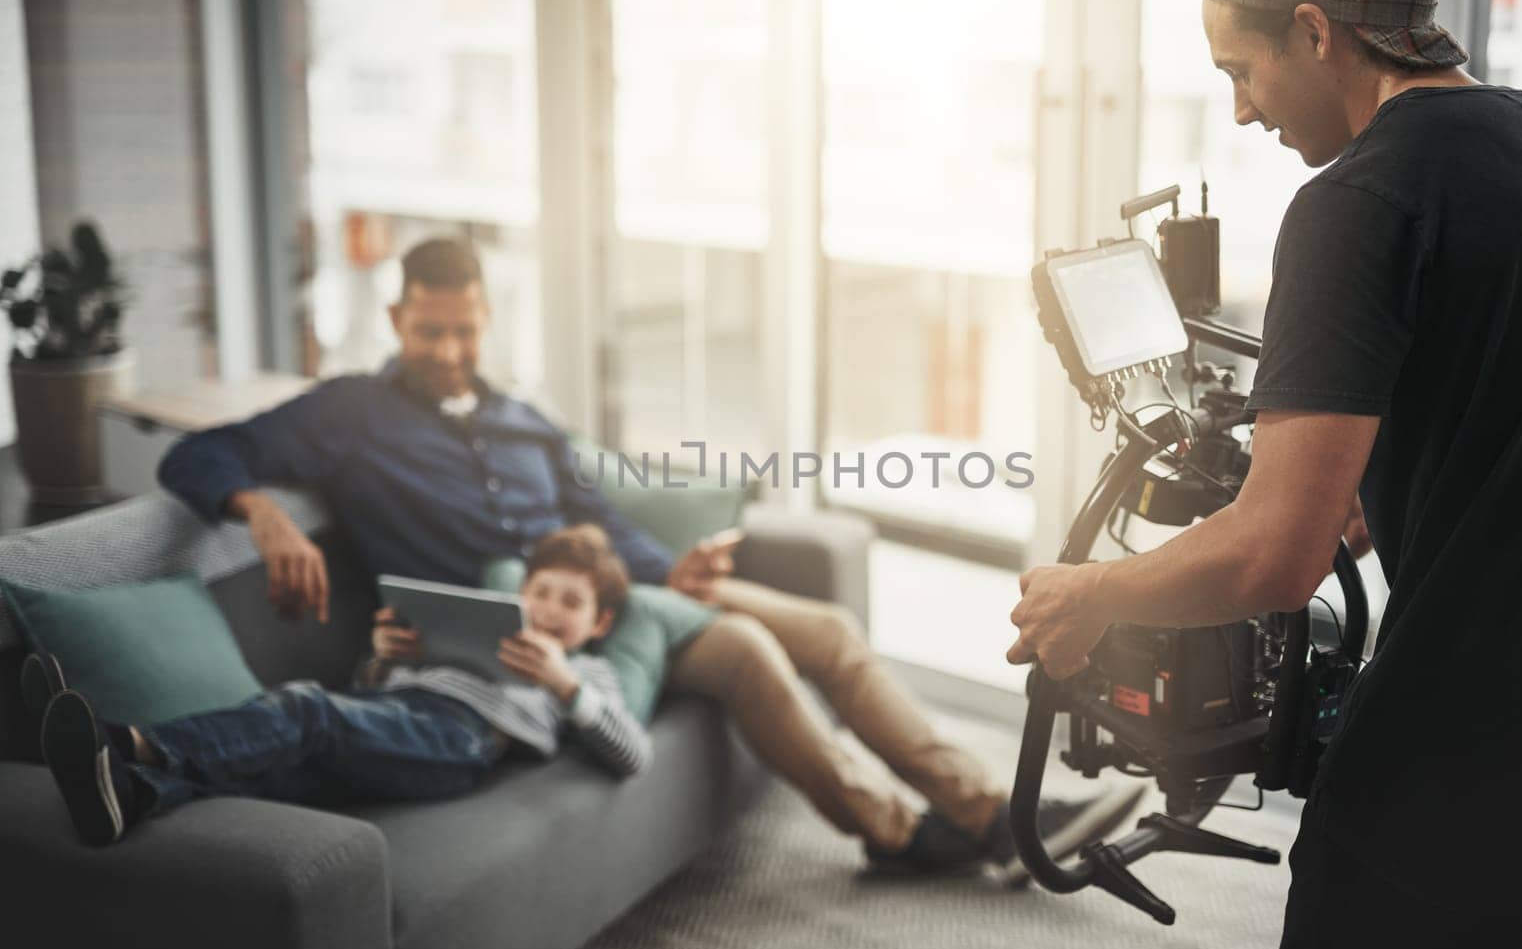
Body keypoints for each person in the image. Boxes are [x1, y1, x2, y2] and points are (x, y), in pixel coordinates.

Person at [1007, 0, 1522, 949]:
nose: (1240, 108)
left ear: (1316, 33)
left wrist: (1092, 592)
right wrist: (1404, 482)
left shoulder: (1360, 199)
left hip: (1449, 766)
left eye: (1240, 69)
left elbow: (1274, 556)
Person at [155, 237, 1110, 875]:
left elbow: (594, 508)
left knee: (828, 628)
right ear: (397, 320)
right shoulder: (347, 414)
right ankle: (901, 833)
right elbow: (199, 453)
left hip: (623, 587)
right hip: (532, 632)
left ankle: (988, 807)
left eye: (465, 328)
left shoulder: (518, 416)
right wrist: (264, 517)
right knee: (749, 655)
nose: (450, 349)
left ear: (486, 318)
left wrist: (673, 565)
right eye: (429, 330)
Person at [29, 525, 649, 846]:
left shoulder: (589, 671)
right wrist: (384, 659)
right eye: (541, 591)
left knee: (305, 708)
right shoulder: (488, 625)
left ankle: (125, 741)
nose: (547, 609)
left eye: (570, 602)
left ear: (598, 623)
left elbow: (632, 755)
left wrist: (565, 685)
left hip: (460, 741)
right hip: (392, 708)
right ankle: (131, 794)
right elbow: (376, 695)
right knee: (282, 771)